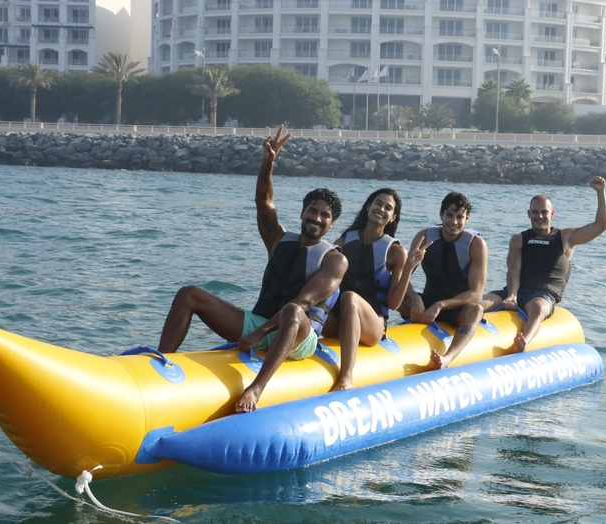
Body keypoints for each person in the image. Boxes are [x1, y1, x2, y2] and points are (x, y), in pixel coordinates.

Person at [154, 125, 347, 413]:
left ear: (331, 225)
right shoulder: (279, 240)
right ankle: (159, 364)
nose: (316, 218)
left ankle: (256, 389)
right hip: (259, 323)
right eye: (312, 210)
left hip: (299, 336)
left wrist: (259, 335)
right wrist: (267, 163)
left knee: (294, 310)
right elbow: (264, 202)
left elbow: (304, 302)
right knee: (188, 294)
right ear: (302, 212)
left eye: (324, 215)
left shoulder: (334, 259)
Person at [482, 175, 606, 353]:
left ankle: (522, 342)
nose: (539, 216)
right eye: (535, 212)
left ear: (552, 214)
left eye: (544, 212)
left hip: (543, 295)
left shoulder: (566, 237)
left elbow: (600, 226)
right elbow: (514, 269)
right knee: (481, 303)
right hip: (515, 291)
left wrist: (600, 192)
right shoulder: (519, 239)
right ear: (528, 213)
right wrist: (511, 295)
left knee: (538, 307)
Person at [322, 188, 429, 391]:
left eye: (388, 208)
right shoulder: (343, 242)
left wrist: (408, 268)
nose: (381, 209)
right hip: (341, 321)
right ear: (368, 206)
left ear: (392, 217)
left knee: (350, 298)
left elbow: (394, 304)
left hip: (373, 326)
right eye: (378, 203)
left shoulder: (395, 251)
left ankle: (346, 377)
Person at [401, 191, 488, 370]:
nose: (454, 222)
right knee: (396, 296)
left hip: (457, 309)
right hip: (426, 302)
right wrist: (415, 298)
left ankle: (447, 358)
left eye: (460, 217)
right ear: (441, 214)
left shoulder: (476, 244)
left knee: (476, 309)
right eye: (449, 215)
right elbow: (402, 278)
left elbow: (476, 293)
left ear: (467, 218)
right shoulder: (424, 237)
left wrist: (440, 305)